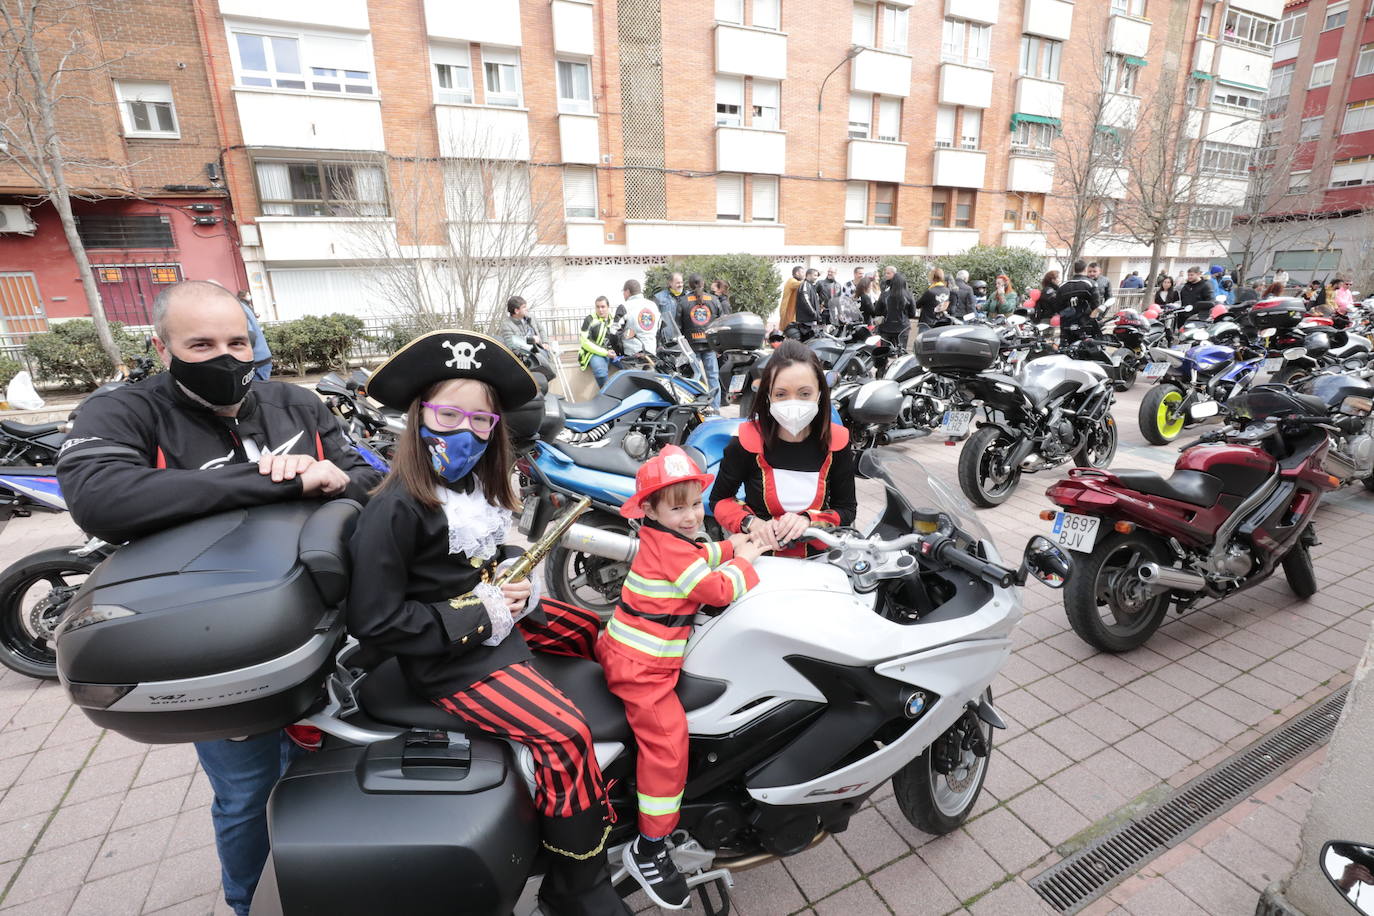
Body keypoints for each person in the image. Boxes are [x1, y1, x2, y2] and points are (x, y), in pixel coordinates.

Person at [56, 280, 384, 916]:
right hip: (220, 650)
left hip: (331, 629)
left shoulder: (296, 404)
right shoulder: (123, 411)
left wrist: (340, 479)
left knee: (334, 772)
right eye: (201, 345)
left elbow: (370, 473)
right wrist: (274, 482)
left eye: (237, 341)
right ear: (163, 348)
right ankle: (245, 903)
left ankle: (333, 886)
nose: (226, 358)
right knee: (246, 792)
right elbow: (101, 498)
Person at [348, 330, 628, 916]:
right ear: (420, 418)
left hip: (490, 622)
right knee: (563, 734)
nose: (466, 432)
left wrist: (512, 592)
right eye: (449, 414)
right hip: (446, 657)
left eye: (482, 421)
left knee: (589, 633)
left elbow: (473, 562)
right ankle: (577, 884)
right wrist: (485, 611)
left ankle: (615, 776)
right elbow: (376, 623)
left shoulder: (472, 486)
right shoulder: (394, 507)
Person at [598, 446, 763, 909]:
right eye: (679, 507)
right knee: (669, 747)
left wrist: (734, 547)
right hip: (643, 670)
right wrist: (749, 561)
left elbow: (703, 554)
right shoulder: (671, 548)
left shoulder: (662, 536)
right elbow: (713, 588)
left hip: (620, 645)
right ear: (649, 509)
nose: (692, 516)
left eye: (696, 504)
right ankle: (648, 848)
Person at [710, 339, 856, 557]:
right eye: (781, 394)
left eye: (804, 393)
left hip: (818, 562)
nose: (793, 402)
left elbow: (846, 509)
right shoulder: (747, 441)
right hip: (758, 558)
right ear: (768, 396)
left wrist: (810, 520)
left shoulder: (837, 442)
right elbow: (719, 500)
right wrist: (753, 524)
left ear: (819, 393)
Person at [680, 274, 724, 408]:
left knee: (694, 378)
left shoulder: (683, 301)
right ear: (704, 284)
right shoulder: (714, 300)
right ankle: (715, 409)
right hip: (710, 345)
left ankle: (695, 409)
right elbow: (720, 324)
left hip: (691, 346)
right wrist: (719, 345)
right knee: (713, 378)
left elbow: (678, 326)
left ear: (689, 285)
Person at [1056, 259, 1103, 344]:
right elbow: (1096, 305)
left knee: (1065, 348)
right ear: (1085, 270)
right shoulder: (1091, 284)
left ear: (1074, 270)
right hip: (1085, 323)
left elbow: (1058, 306)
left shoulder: (1062, 285)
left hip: (1066, 324)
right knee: (1087, 349)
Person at [615, 278, 658, 358]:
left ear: (627, 291)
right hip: (652, 352)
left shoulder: (624, 307)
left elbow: (614, 333)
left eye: (623, 292)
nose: (623, 295)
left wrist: (619, 352)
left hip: (632, 355)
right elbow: (659, 327)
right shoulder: (653, 305)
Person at [236, 290, 273, 380]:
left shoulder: (236, 308)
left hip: (257, 362)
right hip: (261, 358)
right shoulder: (244, 306)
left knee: (256, 391)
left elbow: (250, 336)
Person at [578, 296, 614, 389]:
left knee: (628, 366)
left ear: (608, 307)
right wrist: (605, 353)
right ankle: (606, 395)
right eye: (597, 307)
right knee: (600, 371)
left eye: (603, 307)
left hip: (613, 352)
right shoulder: (589, 319)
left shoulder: (614, 319)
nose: (600, 310)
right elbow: (585, 342)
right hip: (593, 353)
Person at [879, 268, 918, 347]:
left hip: (886, 327)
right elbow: (912, 313)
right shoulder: (908, 295)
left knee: (883, 353)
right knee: (902, 352)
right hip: (903, 327)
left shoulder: (884, 295)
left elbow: (877, 311)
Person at [655, 272, 687, 345]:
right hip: (668, 339)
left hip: (686, 338)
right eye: (678, 283)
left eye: (682, 282)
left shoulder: (688, 296)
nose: (681, 285)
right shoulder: (659, 297)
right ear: (670, 283)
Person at [778, 265, 803, 330]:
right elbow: (799, 284)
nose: (804, 275)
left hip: (792, 311)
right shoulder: (791, 281)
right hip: (787, 310)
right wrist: (808, 278)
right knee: (787, 329)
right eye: (802, 272)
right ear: (797, 273)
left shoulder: (794, 281)